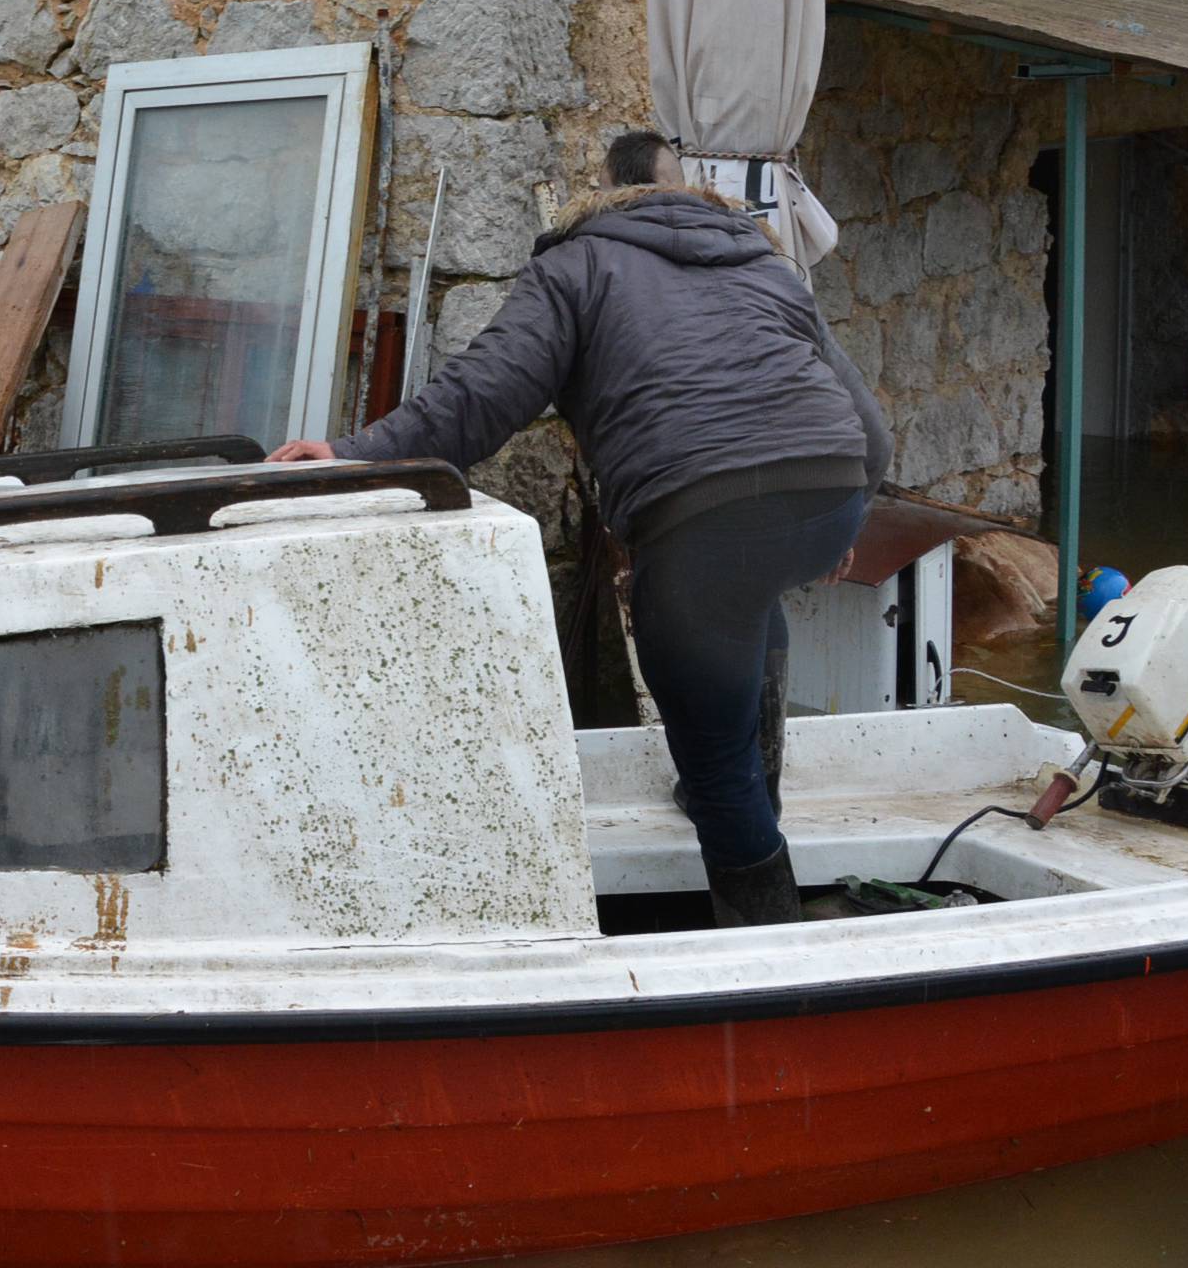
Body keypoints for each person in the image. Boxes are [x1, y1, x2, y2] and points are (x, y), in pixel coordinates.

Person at [269, 130, 892, 926]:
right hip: (828, 492)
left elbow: (482, 395)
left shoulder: (574, 264)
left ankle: (773, 948)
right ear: (688, 192)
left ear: (600, 193)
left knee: (716, 772)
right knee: (749, 590)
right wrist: (842, 526)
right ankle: (746, 771)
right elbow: (870, 432)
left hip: (698, 522)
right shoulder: (765, 263)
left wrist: (354, 455)